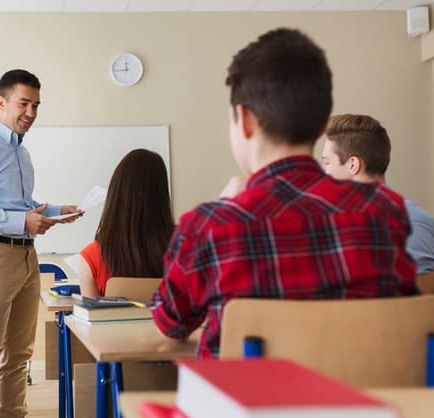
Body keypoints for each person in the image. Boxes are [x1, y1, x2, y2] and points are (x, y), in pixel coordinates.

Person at [151, 28, 418, 359]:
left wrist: (223, 205)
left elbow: (170, 322)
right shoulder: (385, 211)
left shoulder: (208, 225)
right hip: (359, 406)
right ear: (322, 127)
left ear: (245, 121)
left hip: (245, 405)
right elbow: (404, 317)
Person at [0, 69, 80, 418]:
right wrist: (23, 220)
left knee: (20, 354)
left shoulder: (22, 154)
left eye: (36, 105)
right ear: (1, 102)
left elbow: (19, 206)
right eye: (24, 103)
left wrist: (56, 210)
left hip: (25, 257)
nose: (31, 113)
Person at [322, 114, 434, 274]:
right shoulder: (421, 219)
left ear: (353, 165)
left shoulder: (339, 229)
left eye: (327, 163)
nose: (324, 172)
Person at [78, 148, 174, 297]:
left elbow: (91, 319)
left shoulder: (91, 257)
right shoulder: (185, 247)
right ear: (162, 196)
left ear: (115, 195)